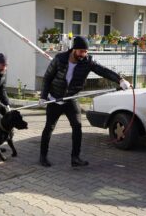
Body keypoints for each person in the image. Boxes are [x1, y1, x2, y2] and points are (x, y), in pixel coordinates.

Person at [39, 36, 131, 167]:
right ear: (74, 50)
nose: (84, 54)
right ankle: (43, 156)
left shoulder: (87, 61)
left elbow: (103, 70)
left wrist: (120, 80)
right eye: (82, 51)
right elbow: (47, 78)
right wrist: (43, 96)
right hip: (55, 98)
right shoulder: (60, 59)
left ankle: (75, 158)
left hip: (71, 98)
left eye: (86, 51)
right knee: (49, 127)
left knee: (77, 126)